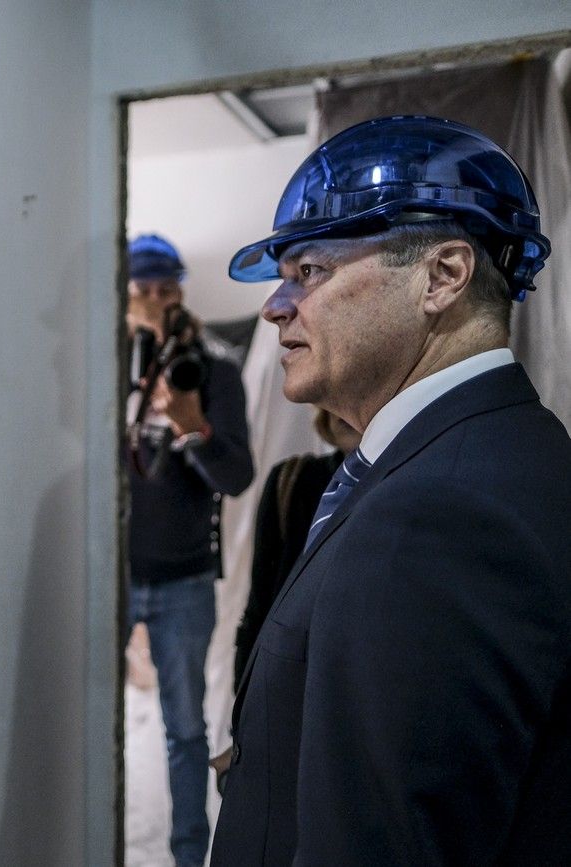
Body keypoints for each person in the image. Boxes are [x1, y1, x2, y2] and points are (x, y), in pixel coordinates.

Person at [211, 115, 571, 866]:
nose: (276, 305)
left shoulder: (438, 513)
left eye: (310, 271)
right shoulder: (479, 457)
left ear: (442, 276)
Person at [124, 233, 254, 867]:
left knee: (184, 730)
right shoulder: (104, 370)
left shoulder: (211, 371)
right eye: (142, 291)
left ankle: (187, 858)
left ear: (181, 294)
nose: (155, 302)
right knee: (84, 719)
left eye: (166, 290)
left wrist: (192, 425)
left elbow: (237, 476)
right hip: (111, 575)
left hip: (184, 577)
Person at [232, 408, 360, 690]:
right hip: (287, 668)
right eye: (334, 405)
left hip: (353, 670)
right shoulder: (292, 478)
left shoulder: (398, 485)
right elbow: (260, 597)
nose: (343, 412)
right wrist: (243, 691)